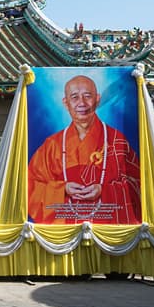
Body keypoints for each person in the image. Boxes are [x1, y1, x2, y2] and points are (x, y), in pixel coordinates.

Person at [28, 74, 141, 224]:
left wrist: (104, 190)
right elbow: (30, 189)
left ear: (98, 99)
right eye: (74, 97)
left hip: (108, 233)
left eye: (88, 96)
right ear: (65, 103)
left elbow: (139, 186)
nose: (82, 103)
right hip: (64, 234)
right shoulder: (52, 145)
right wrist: (62, 189)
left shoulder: (117, 141)